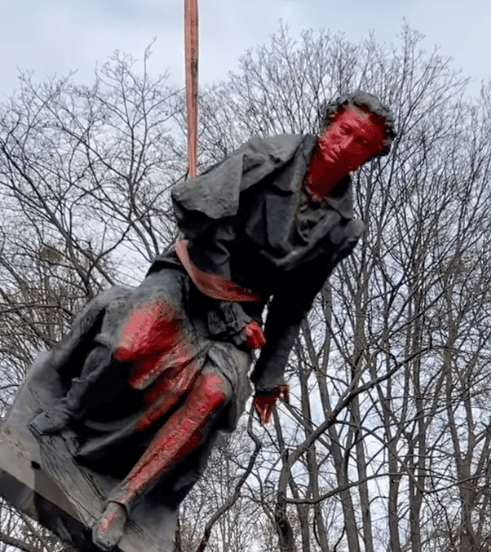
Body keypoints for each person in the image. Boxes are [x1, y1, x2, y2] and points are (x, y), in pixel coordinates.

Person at [28, 91, 395, 551]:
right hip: (189, 278)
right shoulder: (268, 156)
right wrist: (225, 314)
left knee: (216, 394)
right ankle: (72, 408)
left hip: (243, 314)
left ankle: (124, 501)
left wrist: (268, 377)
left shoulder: (344, 229)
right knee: (131, 343)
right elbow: (205, 230)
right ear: (328, 125)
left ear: (369, 155)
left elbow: (294, 302)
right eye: (344, 130)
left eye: (361, 142)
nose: (347, 144)